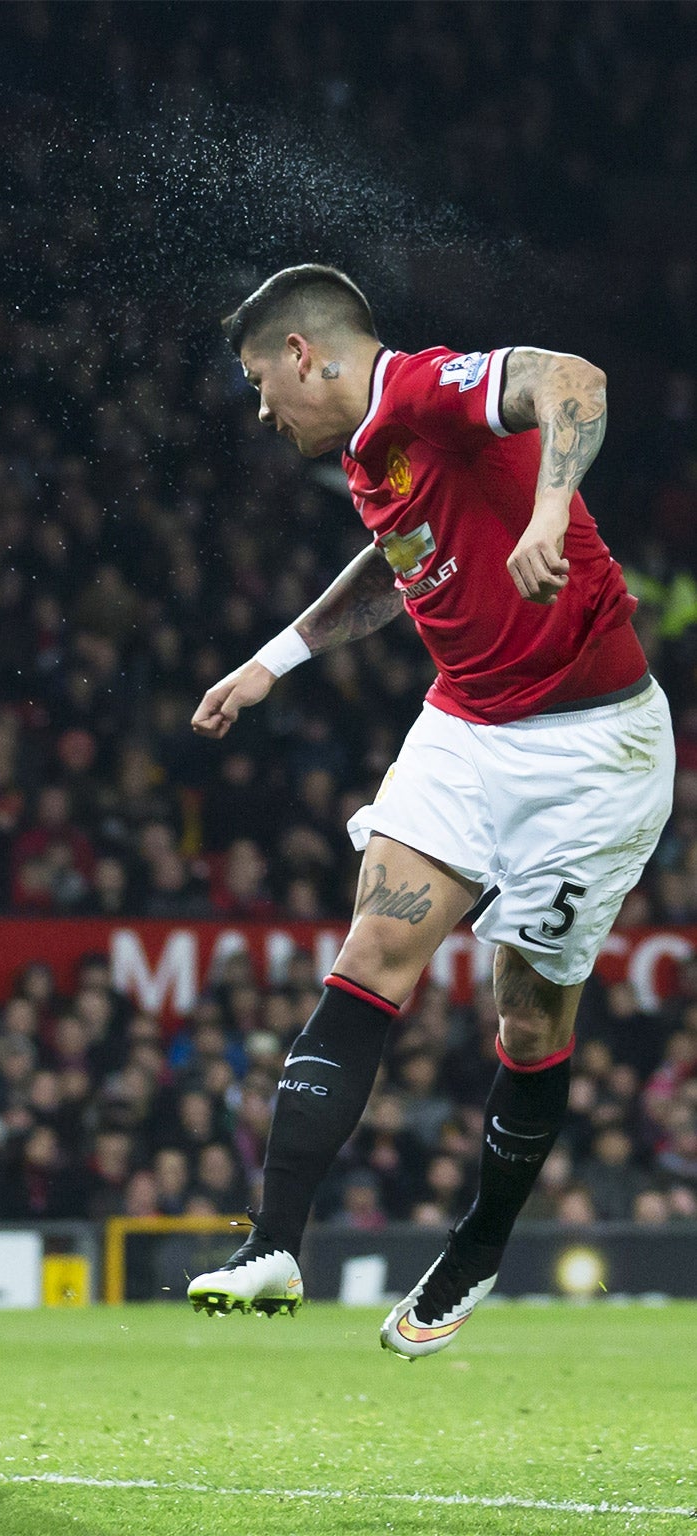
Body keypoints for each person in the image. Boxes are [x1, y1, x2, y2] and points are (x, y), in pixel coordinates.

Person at [187, 267, 669, 1358]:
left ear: (306, 353)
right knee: (373, 946)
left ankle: (482, 1241)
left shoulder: (421, 391)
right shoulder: (370, 454)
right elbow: (393, 565)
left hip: (593, 749)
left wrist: (550, 510)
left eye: (266, 388)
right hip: (466, 729)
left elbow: (571, 379)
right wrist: (275, 660)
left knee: (528, 1015)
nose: (265, 414)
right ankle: (272, 1242)